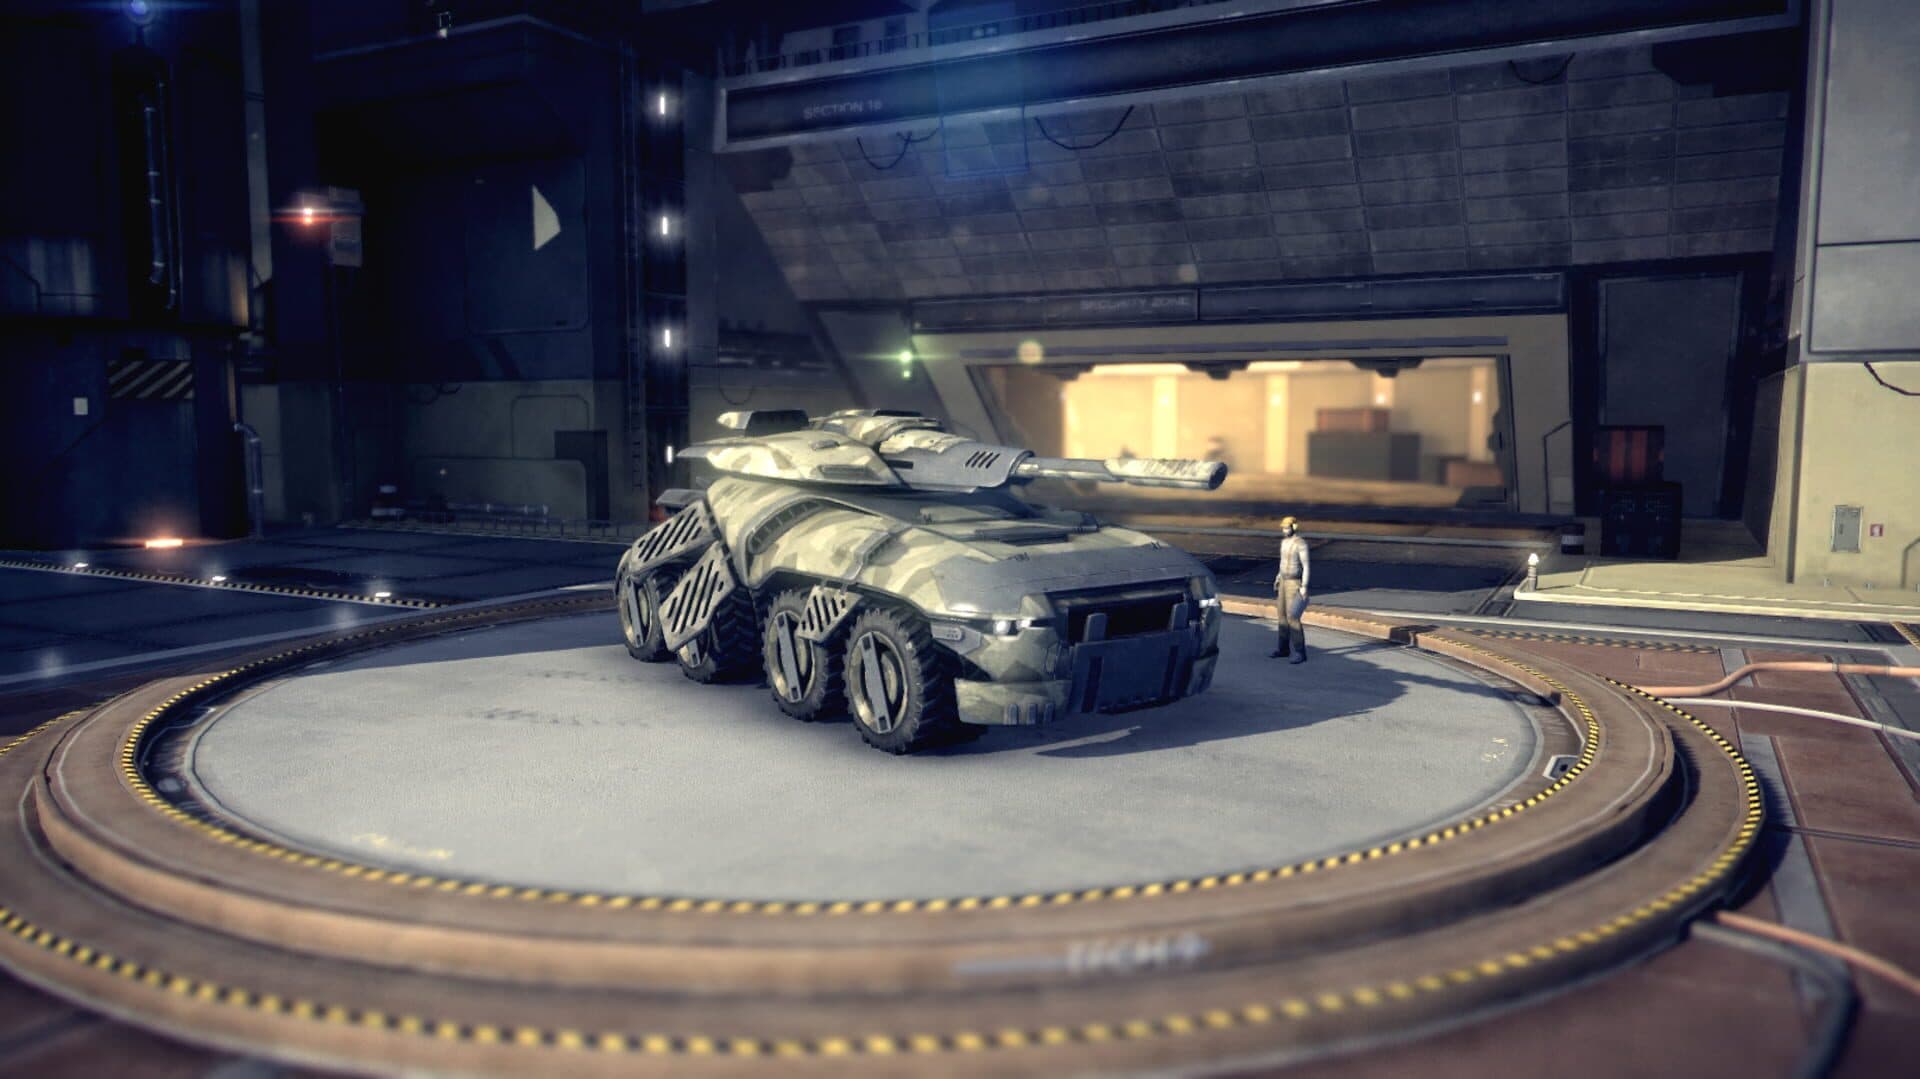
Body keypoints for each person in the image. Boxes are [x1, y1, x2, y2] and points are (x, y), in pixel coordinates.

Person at [1270, 516, 1309, 663]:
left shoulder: (1301, 544)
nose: (1284, 530)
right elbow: (1282, 562)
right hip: (1283, 581)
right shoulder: (1284, 543)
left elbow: (1306, 566)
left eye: (1287, 528)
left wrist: (1304, 586)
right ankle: (1283, 649)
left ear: (1294, 527)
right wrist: (1278, 576)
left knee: (1293, 617)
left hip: (1294, 582)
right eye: (1283, 528)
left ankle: (1300, 652)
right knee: (1281, 616)